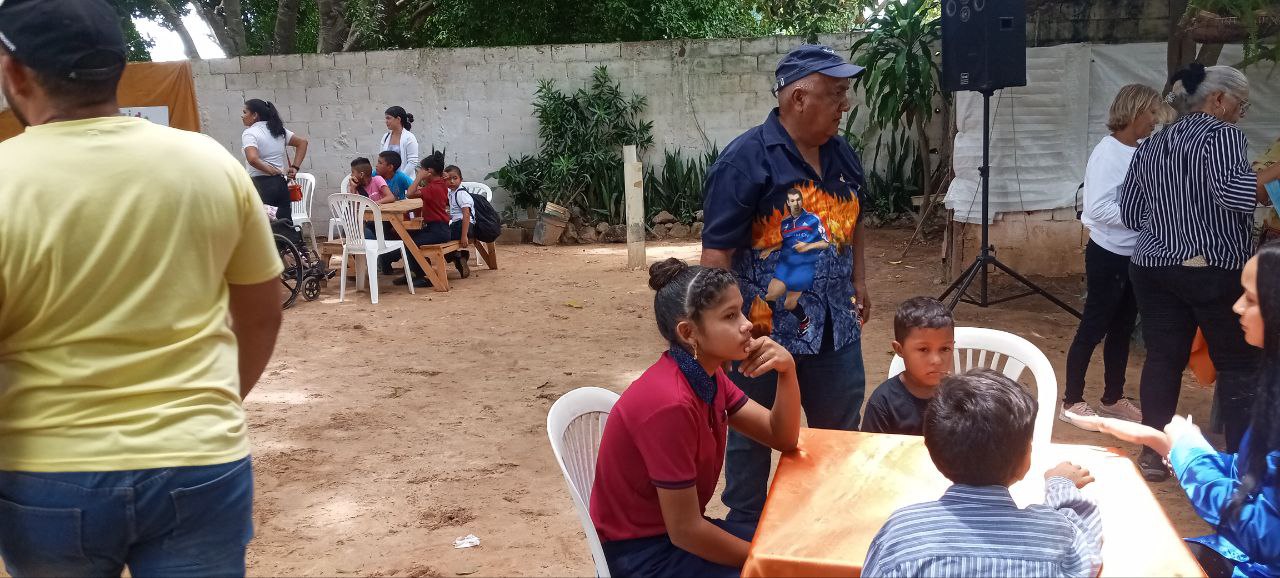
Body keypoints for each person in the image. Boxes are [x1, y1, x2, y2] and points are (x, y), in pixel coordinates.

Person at [0, 1, 283, 576]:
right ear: (117, 68)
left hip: (47, 471)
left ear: (16, 74)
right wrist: (208, 408)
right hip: (200, 459)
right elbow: (260, 313)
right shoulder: (209, 162)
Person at [701, 44, 869, 522]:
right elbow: (716, 255)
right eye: (835, 94)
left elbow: (857, 218)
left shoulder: (842, 154)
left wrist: (860, 280)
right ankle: (746, 532)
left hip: (837, 329)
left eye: (845, 94)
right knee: (751, 437)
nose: (844, 105)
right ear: (799, 97)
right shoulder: (745, 161)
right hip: (762, 334)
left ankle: (831, 524)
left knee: (838, 435)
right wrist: (723, 331)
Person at [589, 258, 801, 578]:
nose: (747, 324)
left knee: (794, 545)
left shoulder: (708, 377)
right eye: (730, 316)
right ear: (689, 333)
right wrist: (767, 561)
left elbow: (780, 436)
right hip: (644, 557)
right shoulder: (671, 405)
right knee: (791, 564)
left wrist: (787, 371)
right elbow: (686, 531)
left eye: (741, 311)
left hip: (675, 540)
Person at [1079, 242, 1280, 578]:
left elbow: (1267, 536)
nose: (1236, 306)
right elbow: (1255, 476)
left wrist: (1190, 455)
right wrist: (1164, 443)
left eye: (1251, 299)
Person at [1118, 63, 1280, 480]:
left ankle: (1153, 454)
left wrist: (1171, 223)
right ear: (1219, 99)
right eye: (1241, 105)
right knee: (1239, 364)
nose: (1240, 114)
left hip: (1153, 267)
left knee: (1163, 358)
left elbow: (1131, 213)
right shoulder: (1223, 135)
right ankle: (1245, 463)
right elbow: (1238, 195)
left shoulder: (1153, 142)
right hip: (1213, 268)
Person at [863, 369, 1103, 578]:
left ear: (935, 455)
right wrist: (1061, 484)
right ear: (1024, 462)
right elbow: (1087, 537)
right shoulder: (1055, 539)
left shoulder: (901, 534)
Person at [1060, 84, 1171, 431]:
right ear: (1135, 112)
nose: (1154, 120)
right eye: (1151, 112)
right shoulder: (1108, 153)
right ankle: (1071, 401)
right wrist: (1147, 217)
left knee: (1122, 328)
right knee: (1094, 326)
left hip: (1133, 254)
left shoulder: (1140, 149)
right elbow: (1097, 209)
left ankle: (1112, 397)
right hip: (1108, 255)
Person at [860, 297, 954, 436]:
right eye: (923, 349)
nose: (937, 360)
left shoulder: (960, 396)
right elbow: (871, 448)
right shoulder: (883, 403)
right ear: (899, 349)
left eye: (945, 349)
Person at [758, 187, 830, 334]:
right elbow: (786, 243)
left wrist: (807, 246)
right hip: (785, 265)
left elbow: (826, 243)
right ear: (788, 203)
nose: (796, 203)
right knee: (770, 295)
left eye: (798, 200)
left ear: (802, 201)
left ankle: (805, 321)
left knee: (789, 304)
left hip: (803, 268)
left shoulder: (813, 219)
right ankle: (768, 328)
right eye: (792, 201)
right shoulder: (785, 223)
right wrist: (771, 249)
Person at [241, 98, 308, 223]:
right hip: (280, 184)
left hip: (260, 185)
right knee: (285, 223)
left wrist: (270, 170)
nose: (242, 116)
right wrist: (295, 167)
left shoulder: (250, 133)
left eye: (245, 112)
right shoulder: (278, 130)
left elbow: (252, 159)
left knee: (263, 226)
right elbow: (302, 143)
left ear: (255, 115)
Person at [398, 151, 451, 288]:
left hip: (438, 230)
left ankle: (424, 276)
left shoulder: (433, 187)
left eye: (422, 169)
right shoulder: (440, 183)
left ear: (429, 171)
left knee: (410, 243)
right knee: (408, 237)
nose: (419, 171)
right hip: (439, 228)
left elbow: (410, 193)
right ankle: (413, 272)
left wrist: (418, 177)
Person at [444, 165, 475, 279]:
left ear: (461, 179)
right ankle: (460, 258)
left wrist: (464, 236)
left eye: (455, 178)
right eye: (448, 179)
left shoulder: (461, 194)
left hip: (464, 226)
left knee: (440, 239)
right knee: (440, 236)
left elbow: (466, 215)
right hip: (458, 224)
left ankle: (459, 256)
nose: (452, 181)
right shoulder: (451, 192)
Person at [380, 105, 419, 181]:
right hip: (387, 180)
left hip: (404, 181)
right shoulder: (385, 137)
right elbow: (381, 158)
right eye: (386, 118)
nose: (386, 121)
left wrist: (399, 179)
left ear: (398, 119)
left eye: (388, 118)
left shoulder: (409, 137)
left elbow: (412, 161)